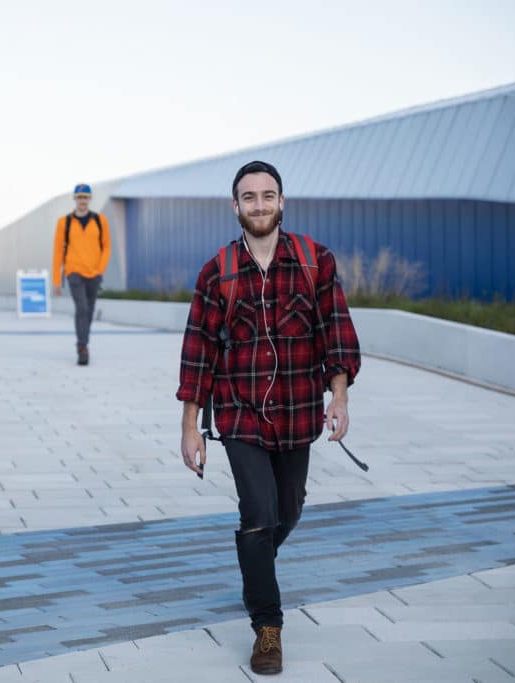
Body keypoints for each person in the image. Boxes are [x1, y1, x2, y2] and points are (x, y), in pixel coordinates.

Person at [176, 161, 360, 676]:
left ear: (282, 201)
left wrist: (339, 397)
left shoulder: (313, 260)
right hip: (239, 414)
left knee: (288, 512)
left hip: (299, 410)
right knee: (258, 515)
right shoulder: (217, 271)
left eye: (268, 195)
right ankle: (267, 626)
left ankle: (254, 566)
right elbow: (199, 352)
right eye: (249, 197)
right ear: (235, 206)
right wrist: (191, 426)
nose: (259, 204)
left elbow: (337, 332)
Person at [51, 183, 111, 366]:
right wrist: (56, 279)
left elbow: (107, 247)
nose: (82, 200)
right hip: (74, 271)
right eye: (79, 197)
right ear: (75, 199)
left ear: (90, 199)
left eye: (85, 197)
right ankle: (82, 347)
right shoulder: (64, 222)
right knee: (82, 308)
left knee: (90, 310)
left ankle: (84, 342)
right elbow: (58, 252)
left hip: (94, 273)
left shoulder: (100, 220)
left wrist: (100, 269)